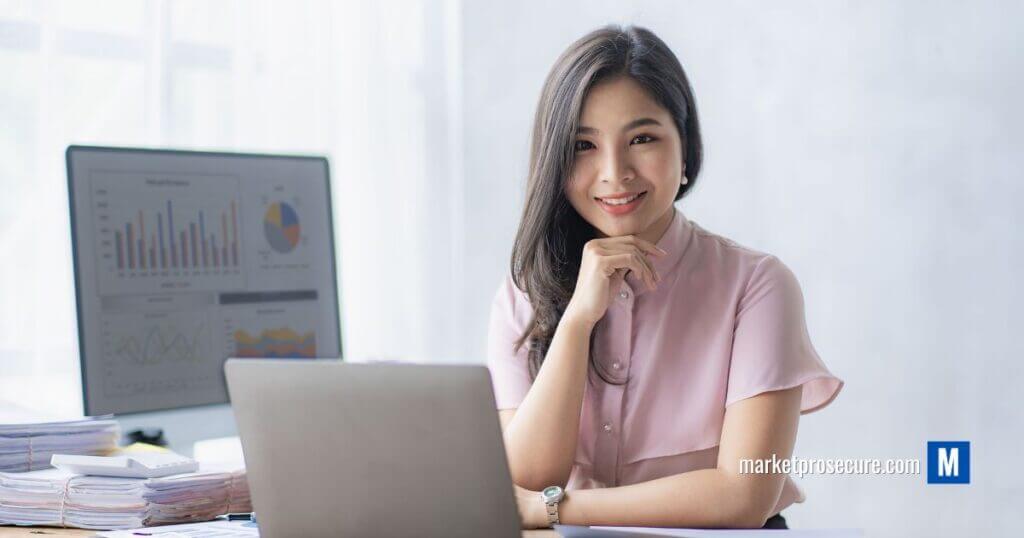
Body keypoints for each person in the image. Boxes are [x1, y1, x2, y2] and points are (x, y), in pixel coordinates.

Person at [487, 25, 843, 530]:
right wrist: (577, 322)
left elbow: (744, 495)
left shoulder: (757, 286)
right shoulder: (523, 295)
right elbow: (522, 481)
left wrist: (557, 508)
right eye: (583, 145)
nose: (615, 172)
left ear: (686, 148)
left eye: (642, 138)